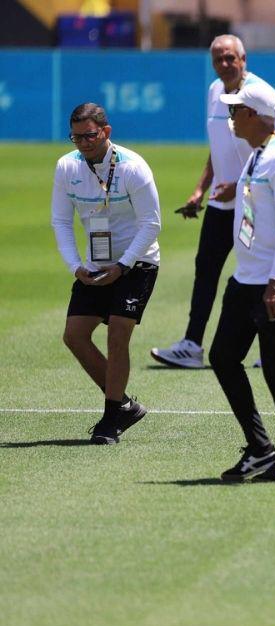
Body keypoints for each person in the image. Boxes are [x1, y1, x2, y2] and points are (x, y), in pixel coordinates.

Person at [151, 34, 275, 369]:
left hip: (254, 204)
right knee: (205, 271)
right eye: (218, 59)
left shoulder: (261, 95)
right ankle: (192, 344)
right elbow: (217, 149)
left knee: (258, 274)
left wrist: (240, 188)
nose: (224, 64)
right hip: (220, 204)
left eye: (230, 58)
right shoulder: (214, 91)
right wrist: (200, 190)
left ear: (244, 59)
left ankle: (272, 347)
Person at [211, 81, 275, 483]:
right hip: (246, 276)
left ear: (254, 116)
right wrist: (238, 187)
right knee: (222, 357)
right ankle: (260, 448)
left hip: (273, 280)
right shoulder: (258, 156)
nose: (231, 117)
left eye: (236, 111)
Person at [51, 103, 161, 444]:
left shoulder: (133, 167)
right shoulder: (66, 167)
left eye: (90, 135)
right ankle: (124, 404)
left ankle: (111, 417)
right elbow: (60, 220)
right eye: (76, 136)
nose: (83, 142)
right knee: (74, 335)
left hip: (137, 263)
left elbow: (152, 223)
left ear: (106, 132)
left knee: (118, 333)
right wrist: (75, 266)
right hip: (95, 266)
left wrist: (123, 265)